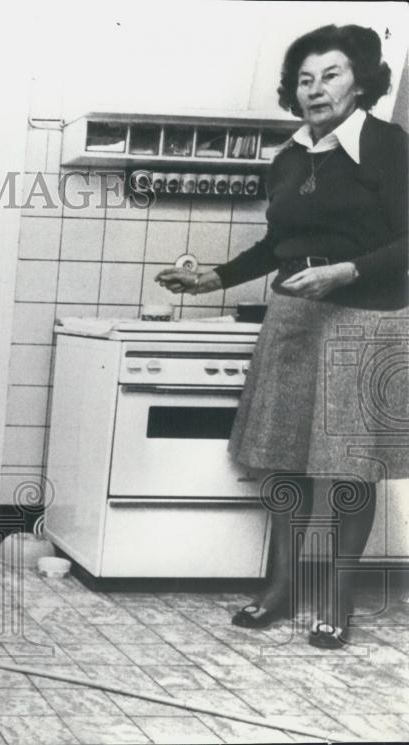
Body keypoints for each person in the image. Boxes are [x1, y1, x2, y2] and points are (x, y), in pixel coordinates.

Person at [156, 24, 408, 649]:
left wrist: (347, 271)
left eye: (331, 74)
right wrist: (213, 277)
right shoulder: (291, 156)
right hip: (295, 317)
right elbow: (277, 245)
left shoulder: (388, 145)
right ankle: (282, 586)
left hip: (366, 316)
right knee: (287, 462)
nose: (316, 89)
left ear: (361, 82)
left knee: (349, 470)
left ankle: (335, 597)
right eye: (305, 78)